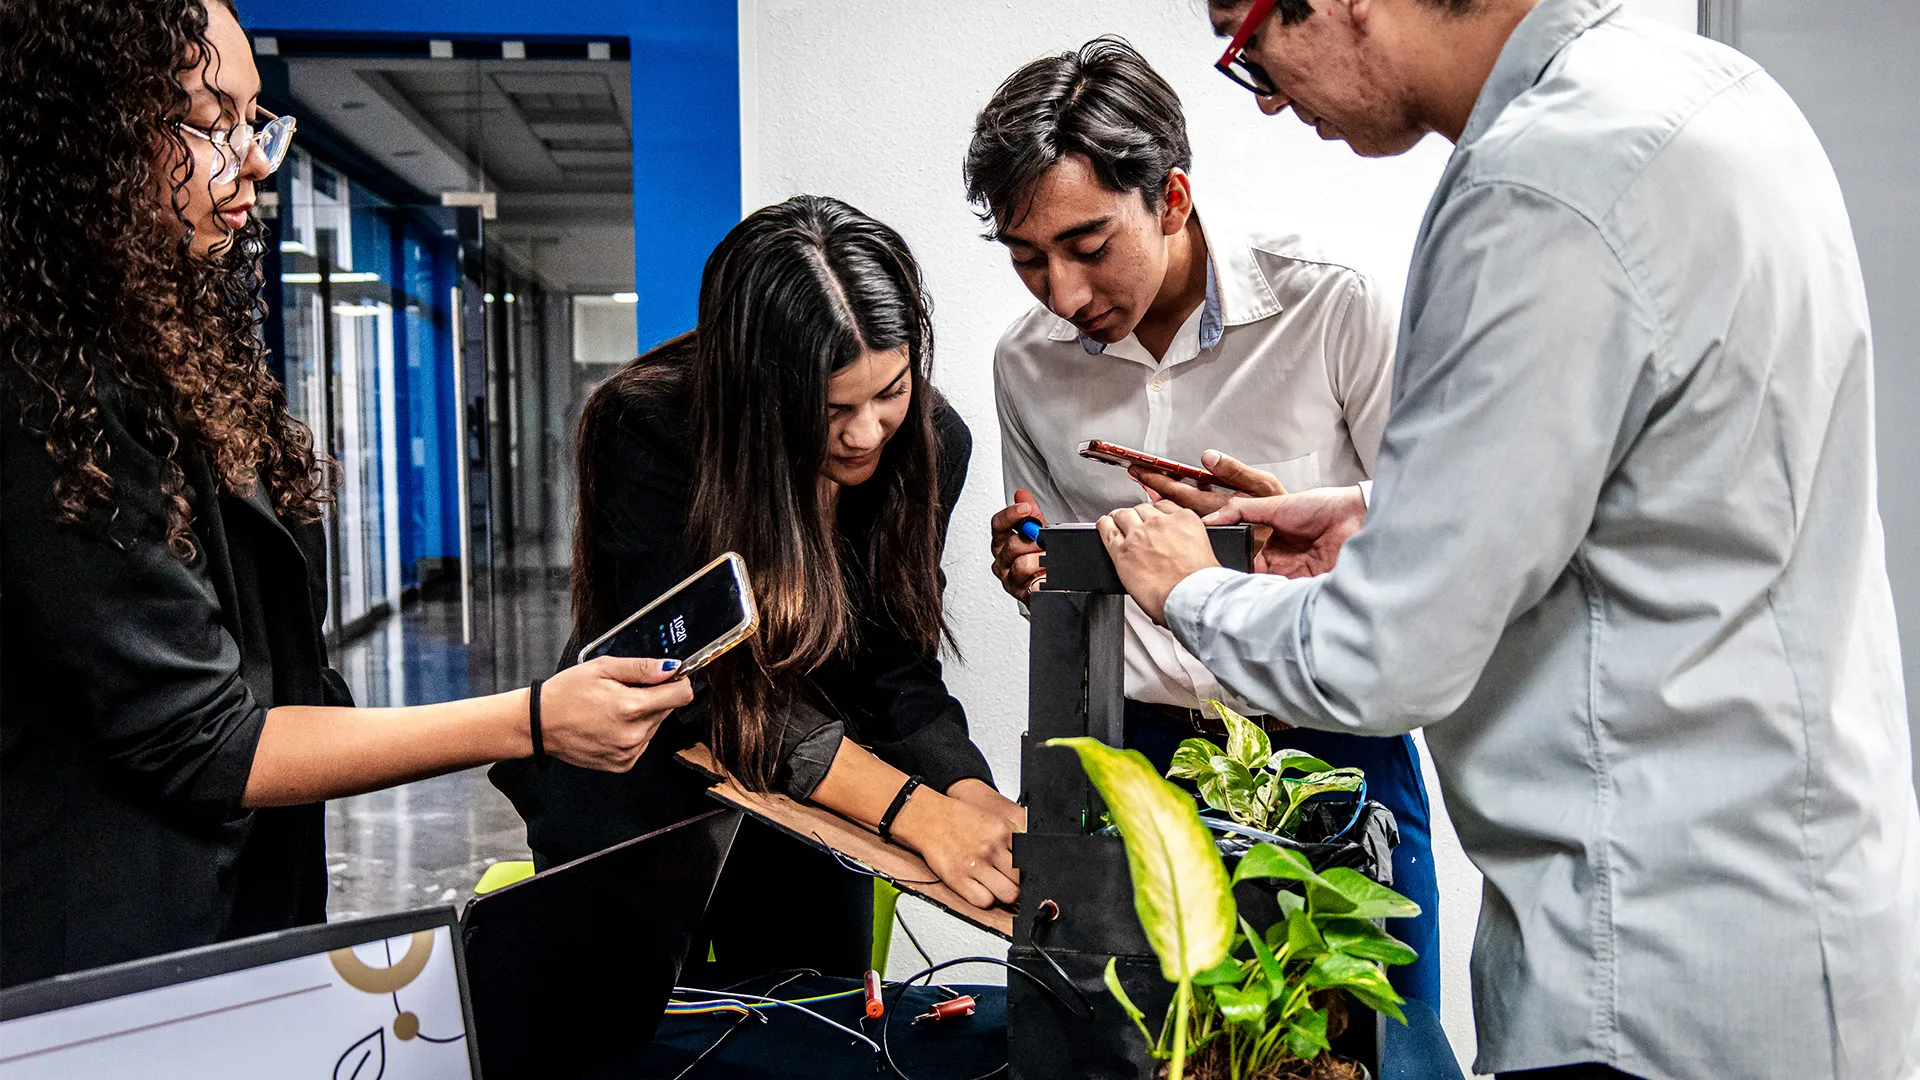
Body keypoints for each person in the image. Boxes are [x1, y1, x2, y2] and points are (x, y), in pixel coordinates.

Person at [1095, 1, 1920, 1078]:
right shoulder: (1714, 97)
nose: (1263, 87)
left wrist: (1190, 589)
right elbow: (1671, 489)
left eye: (1246, 40)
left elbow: (1384, 657)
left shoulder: (1536, 187)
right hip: (1808, 914)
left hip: (1651, 974)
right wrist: (1380, 515)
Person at [0, 0, 694, 989]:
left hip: (226, 914)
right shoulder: (48, 391)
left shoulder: (163, 344)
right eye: (213, 123)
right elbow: (208, 737)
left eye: (256, 120)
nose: (255, 159)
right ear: (89, 132)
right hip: (101, 963)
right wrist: (535, 719)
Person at [966, 38, 1439, 1007]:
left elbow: (1441, 534)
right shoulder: (1026, 365)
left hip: (1327, 750)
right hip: (1135, 765)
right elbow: (1061, 592)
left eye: (1089, 247)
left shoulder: (1333, 308)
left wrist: (1330, 537)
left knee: (1361, 1049)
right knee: (1130, 1049)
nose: (1063, 294)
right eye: (1027, 260)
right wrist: (1033, 575)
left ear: (1172, 200)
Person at [490, 195, 1023, 982]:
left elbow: (895, 665)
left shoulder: (931, 442)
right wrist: (914, 810)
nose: (868, 433)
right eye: (832, 408)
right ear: (754, 389)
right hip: (642, 781)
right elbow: (698, 677)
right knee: (618, 1038)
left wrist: (966, 791)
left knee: (812, 1027)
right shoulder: (647, 426)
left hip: (807, 797)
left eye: (891, 391)